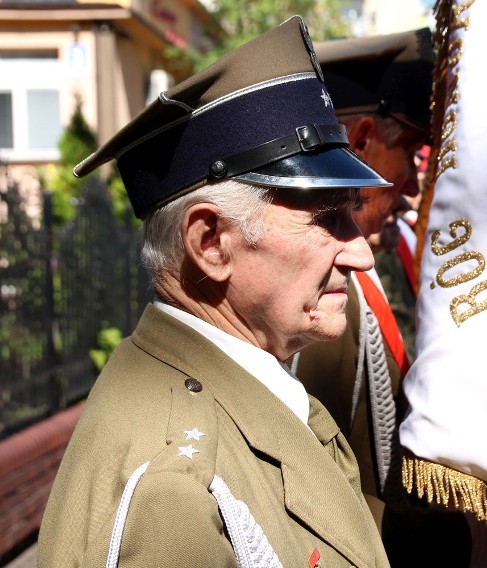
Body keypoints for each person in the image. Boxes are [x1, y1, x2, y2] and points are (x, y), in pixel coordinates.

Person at [38, 17, 392, 568]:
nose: (360, 252)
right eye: (327, 219)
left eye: (353, 214)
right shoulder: (176, 492)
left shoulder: (231, 392)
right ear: (212, 244)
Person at [291, 29, 487, 568]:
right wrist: (470, 543)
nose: (411, 183)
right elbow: (322, 499)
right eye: (410, 152)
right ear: (362, 140)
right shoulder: (320, 298)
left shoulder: (358, 270)